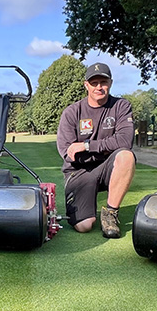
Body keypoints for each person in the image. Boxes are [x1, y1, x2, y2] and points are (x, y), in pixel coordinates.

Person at [56, 62, 136, 238]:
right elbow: (68, 153)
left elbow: (125, 141)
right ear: (86, 85)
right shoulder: (71, 112)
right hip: (79, 172)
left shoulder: (121, 106)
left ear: (111, 83)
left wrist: (87, 146)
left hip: (107, 168)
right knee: (84, 226)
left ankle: (110, 213)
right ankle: (86, 208)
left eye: (103, 82)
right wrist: (106, 148)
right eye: (94, 83)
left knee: (126, 156)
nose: (99, 87)